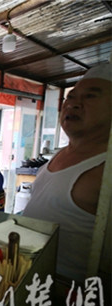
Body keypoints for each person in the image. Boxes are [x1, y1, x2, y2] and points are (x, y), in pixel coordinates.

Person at [23, 63, 111, 283]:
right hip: (27, 279)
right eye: (70, 98)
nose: (73, 105)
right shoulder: (61, 154)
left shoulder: (105, 170)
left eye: (90, 97)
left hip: (68, 298)